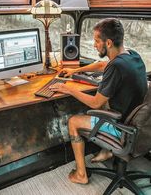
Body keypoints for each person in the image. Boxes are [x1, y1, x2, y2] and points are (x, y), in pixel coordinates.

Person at [50, 18, 148, 184]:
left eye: (97, 41)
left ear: (108, 43)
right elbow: (103, 65)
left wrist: (68, 89)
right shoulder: (132, 55)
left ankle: (81, 174)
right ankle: (108, 151)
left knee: (73, 121)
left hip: (122, 127)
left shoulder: (116, 67)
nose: (94, 45)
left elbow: (95, 103)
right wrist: (76, 70)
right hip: (136, 121)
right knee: (106, 103)